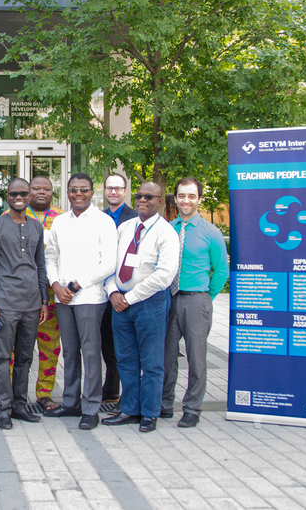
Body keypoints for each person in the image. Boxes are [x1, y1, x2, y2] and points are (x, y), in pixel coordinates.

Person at [103, 182, 179, 433]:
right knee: (125, 359)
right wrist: (113, 292)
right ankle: (130, 409)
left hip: (149, 304)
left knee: (152, 361)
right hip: (119, 303)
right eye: (139, 196)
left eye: (149, 196)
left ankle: (149, 413)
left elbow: (165, 275)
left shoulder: (165, 232)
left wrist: (130, 297)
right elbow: (108, 264)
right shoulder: (125, 228)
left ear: (160, 201)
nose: (142, 200)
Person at [43, 173, 117, 430]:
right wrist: (55, 285)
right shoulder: (60, 222)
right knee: (70, 351)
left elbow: (108, 263)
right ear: (67, 192)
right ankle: (72, 402)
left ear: (91, 191)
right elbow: (50, 255)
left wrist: (76, 285)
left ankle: (91, 407)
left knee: (90, 351)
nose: (78, 194)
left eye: (83, 190)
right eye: (73, 190)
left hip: (90, 297)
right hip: (63, 297)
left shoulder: (104, 221)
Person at [161, 177, 228, 428]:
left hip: (195, 300)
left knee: (196, 357)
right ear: (175, 198)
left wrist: (204, 299)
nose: (185, 200)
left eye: (191, 196)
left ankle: (192, 407)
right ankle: (165, 404)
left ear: (199, 199)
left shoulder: (211, 232)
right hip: (169, 299)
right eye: (181, 195)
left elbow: (221, 272)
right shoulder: (169, 228)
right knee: (166, 356)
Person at [0, 178, 49, 430]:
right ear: (7, 196)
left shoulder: (36, 227)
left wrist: (44, 300)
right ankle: (3, 408)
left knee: (24, 356)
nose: (19, 196)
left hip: (32, 302)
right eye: (14, 193)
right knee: (2, 357)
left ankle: (20, 405)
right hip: (6, 303)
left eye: (24, 192)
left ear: (30, 196)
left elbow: (40, 264)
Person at [8, 175, 65, 412]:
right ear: (28, 192)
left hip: (53, 294)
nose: (41, 192)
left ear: (53, 192)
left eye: (47, 189)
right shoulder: (11, 216)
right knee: (15, 347)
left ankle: (44, 393)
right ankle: (13, 393)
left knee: (50, 347)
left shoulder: (64, 218)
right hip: (20, 294)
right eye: (36, 189)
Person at [101, 173, 138, 408]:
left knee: (128, 347)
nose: (113, 192)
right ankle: (111, 389)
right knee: (107, 344)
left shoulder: (136, 217)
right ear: (104, 191)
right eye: (109, 188)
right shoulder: (100, 218)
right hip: (104, 290)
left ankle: (131, 396)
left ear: (125, 191)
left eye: (118, 188)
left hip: (129, 293)